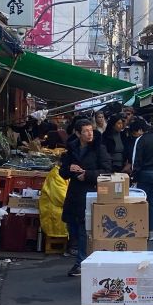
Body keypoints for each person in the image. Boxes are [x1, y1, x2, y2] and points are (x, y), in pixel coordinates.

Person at [60, 118, 111, 277]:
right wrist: (70, 168)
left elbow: (107, 170)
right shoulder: (72, 149)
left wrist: (88, 175)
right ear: (77, 133)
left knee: (83, 228)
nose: (90, 134)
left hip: (90, 193)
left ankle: (81, 263)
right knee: (72, 227)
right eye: (86, 131)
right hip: (74, 193)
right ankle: (82, 258)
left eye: (91, 130)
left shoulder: (99, 148)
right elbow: (62, 172)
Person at [129, 117, 153, 240]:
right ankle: (151, 232)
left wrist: (134, 176)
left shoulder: (140, 140)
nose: (134, 135)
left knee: (143, 202)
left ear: (139, 130)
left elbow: (137, 160)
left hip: (145, 173)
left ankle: (142, 229)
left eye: (134, 132)